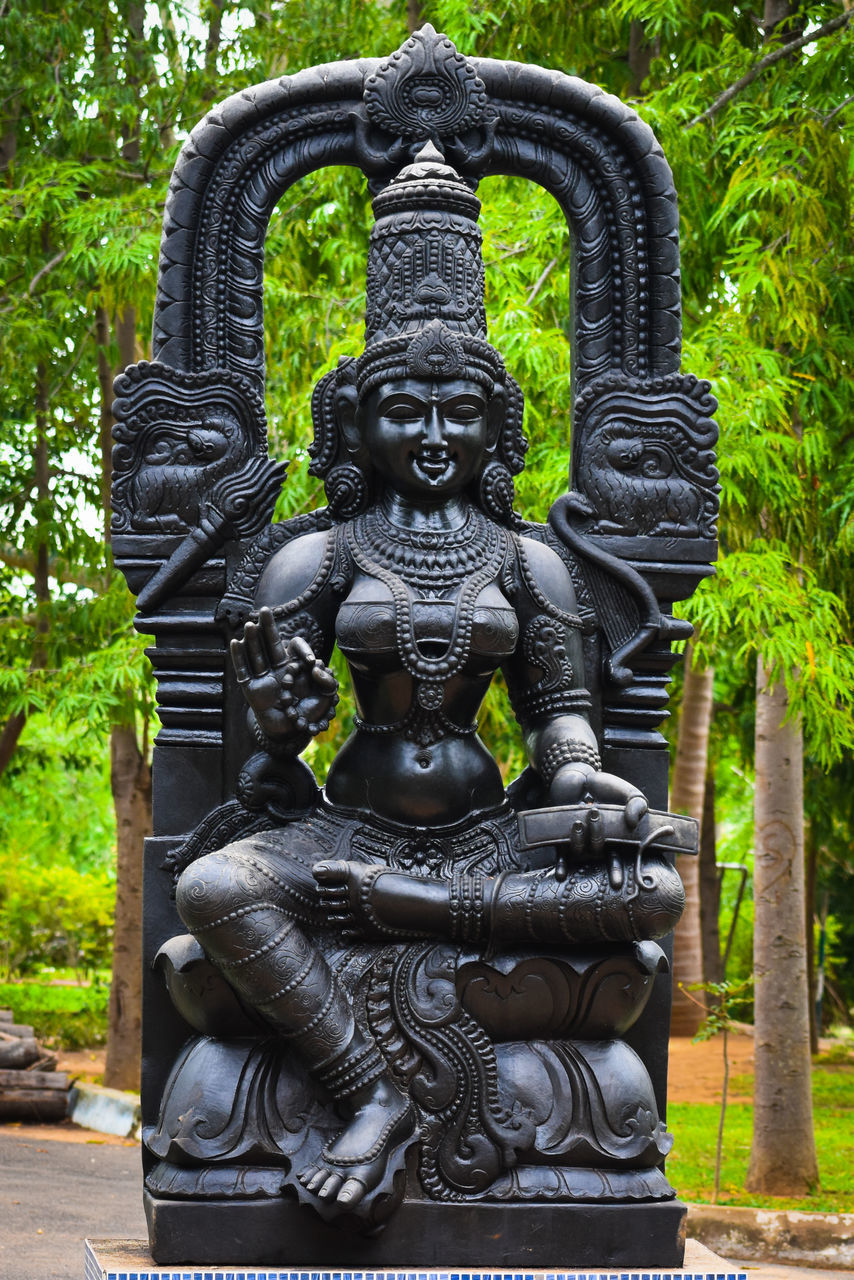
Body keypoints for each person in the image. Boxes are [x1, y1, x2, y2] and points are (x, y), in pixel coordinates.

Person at [173, 146, 685, 1218]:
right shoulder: (319, 555)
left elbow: (559, 720)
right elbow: (270, 747)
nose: (436, 432)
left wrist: (591, 785)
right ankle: (369, 1093)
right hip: (345, 832)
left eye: (460, 410)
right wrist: (276, 731)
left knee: (651, 896)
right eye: (407, 408)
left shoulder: (527, 560)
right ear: (356, 421)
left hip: (485, 835)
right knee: (212, 893)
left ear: (496, 423)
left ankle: (396, 961)